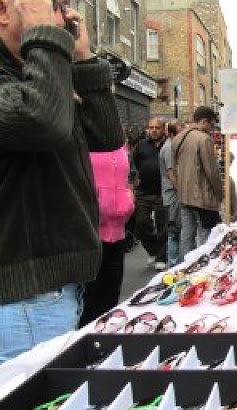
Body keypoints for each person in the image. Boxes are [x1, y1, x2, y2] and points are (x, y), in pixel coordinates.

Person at [0, 0, 123, 361]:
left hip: (50, 292)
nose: (64, 16)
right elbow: (42, 123)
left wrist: (83, 58)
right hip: (23, 299)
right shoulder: (31, 70)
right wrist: (47, 41)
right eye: (52, 5)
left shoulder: (39, 67)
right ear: (5, 10)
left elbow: (106, 136)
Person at [79, 146, 135, 327]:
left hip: (117, 232)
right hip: (89, 234)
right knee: (88, 301)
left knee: (110, 297)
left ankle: (105, 340)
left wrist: (129, 198)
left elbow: (125, 181)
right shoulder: (82, 144)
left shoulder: (120, 147)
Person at [173, 106, 223, 259]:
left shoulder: (179, 138)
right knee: (205, 238)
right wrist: (220, 193)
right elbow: (211, 171)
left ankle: (184, 269)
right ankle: (202, 269)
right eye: (211, 125)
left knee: (186, 236)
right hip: (202, 197)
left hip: (184, 195)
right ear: (204, 121)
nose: (211, 129)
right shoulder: (203, 139)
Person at [132, 117, 168, 270]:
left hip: (162, 192)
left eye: (157, 127)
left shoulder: (168, 145)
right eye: (151, 127)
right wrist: (133, 183)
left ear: (163, 129)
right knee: (140, 223)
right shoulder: (141, 145)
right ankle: (152, 249)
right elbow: (134, 165)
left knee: (163, 226)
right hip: (144, 192)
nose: (153, 130)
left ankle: (161, 257)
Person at [159, 119, 185, 267]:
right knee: (174, 232)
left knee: (175, 231)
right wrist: (182, 191)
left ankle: (174, 264)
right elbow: (171, 173)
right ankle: (174, 265)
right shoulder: (169, 148)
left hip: (171, 194)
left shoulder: (170, 146)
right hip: (173, 195)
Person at [228, 152, 237, 223]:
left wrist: (235, 215)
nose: (229, 165)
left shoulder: (230, 181)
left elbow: (234, 198)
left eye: (230, 163)